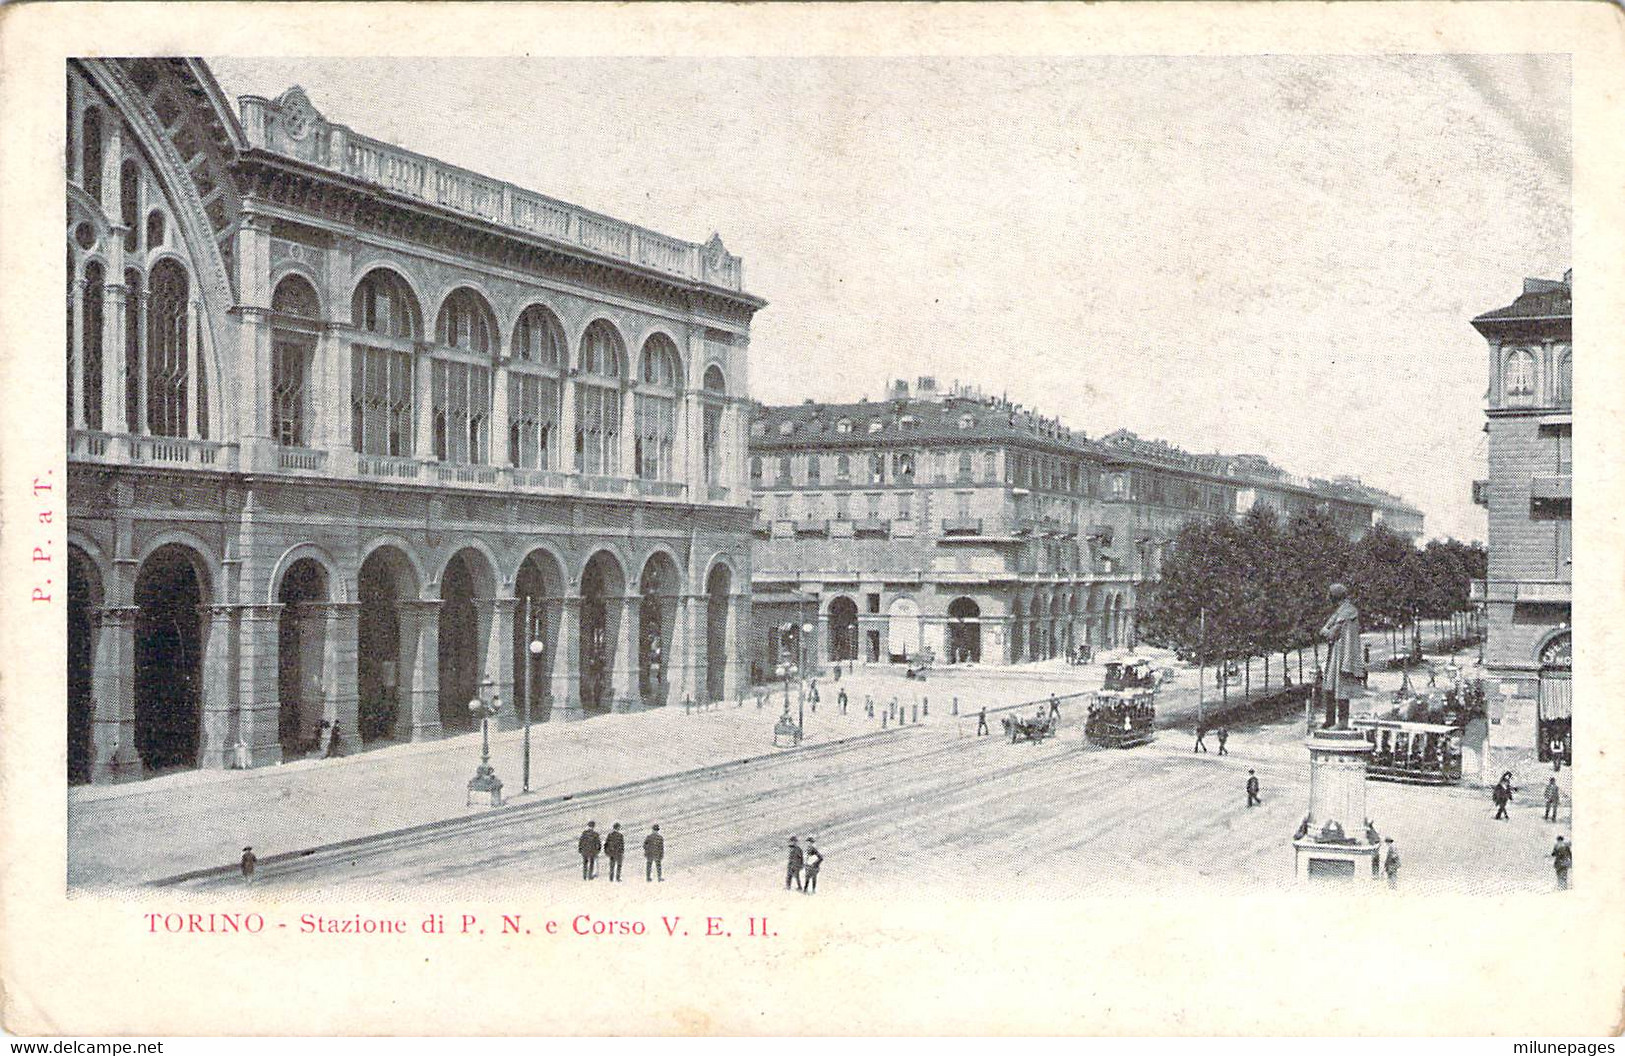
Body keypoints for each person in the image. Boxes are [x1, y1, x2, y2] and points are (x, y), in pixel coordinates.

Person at [1320, 584, 1365, 729]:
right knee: (1330, 686)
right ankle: (1330, 719)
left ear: (1334, 598)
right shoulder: (1343, 611)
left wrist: (1325, 631)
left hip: (1341, 655)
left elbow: (1331, 633)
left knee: (1341, 687)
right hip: (1337, 652)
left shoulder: (1346, 613)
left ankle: (1342, 722)